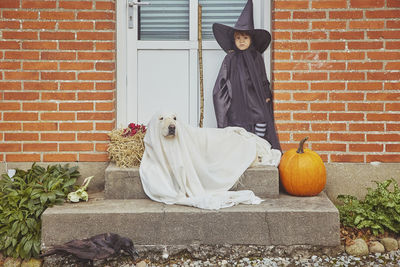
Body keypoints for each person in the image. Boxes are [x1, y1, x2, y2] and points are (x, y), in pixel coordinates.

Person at [212, 0, 281, 150]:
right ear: (234, 40)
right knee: (239, 124)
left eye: (245, 38)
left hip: (255, 98)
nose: (241, 41)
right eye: (238, 38)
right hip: (237, 100)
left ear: (251, 40)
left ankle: (259, 145)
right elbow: (222, 80)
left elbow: (263, 78)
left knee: (261, 119)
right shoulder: (230, 58)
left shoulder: (256, 57)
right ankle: (244, 150)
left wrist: (266, 93)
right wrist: (223, 98)